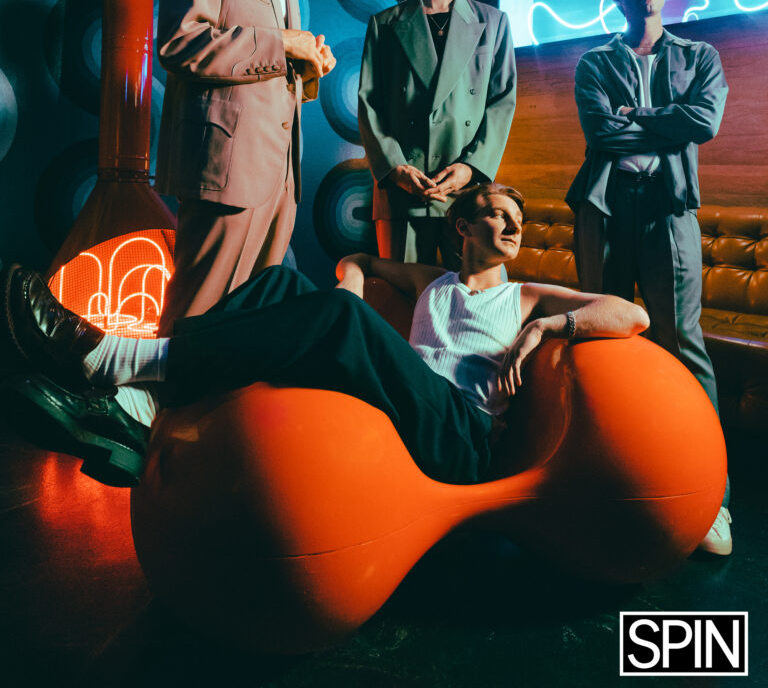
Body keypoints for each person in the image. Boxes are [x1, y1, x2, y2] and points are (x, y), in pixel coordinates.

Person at [0, 183, 648, 494]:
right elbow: (355, 261)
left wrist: (548, 326)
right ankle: (146, 412)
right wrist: (353, 288)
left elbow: (629, 314)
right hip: (403, 411)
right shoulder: (432, 280)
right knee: (278, 282)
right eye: (496, 214)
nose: (510, 226)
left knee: (341, 318)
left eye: (516, 220)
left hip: (460, 437)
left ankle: (109, 358)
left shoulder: (526, 294)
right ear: (461, 228)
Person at [565, 0, 732, 555]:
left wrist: (639, 113)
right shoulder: (594, 61)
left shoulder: (699, 55)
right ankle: (603, 477)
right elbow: (601, 133)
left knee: (682, 342)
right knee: (601, 340)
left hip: (669, 207)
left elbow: (704, 123)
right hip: (605, 208)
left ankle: (713, 496)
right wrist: (667, 120)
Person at [155, 0, 335, 333]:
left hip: (281, 176)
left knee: (247, 326)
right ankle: (153, 389)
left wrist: (309, 64)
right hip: (226, 164)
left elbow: (272, 72)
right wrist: (283, 44)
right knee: (193, 316)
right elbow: (180, 43)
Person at [358, 0, 516, 267]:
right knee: (403, 297)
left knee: (471, 296)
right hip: (403, 187)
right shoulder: (385, 24)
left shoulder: (494, 22)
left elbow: (501, 102)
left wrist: (471, 167)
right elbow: (369, 102)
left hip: (467, 189)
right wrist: (395, 167)